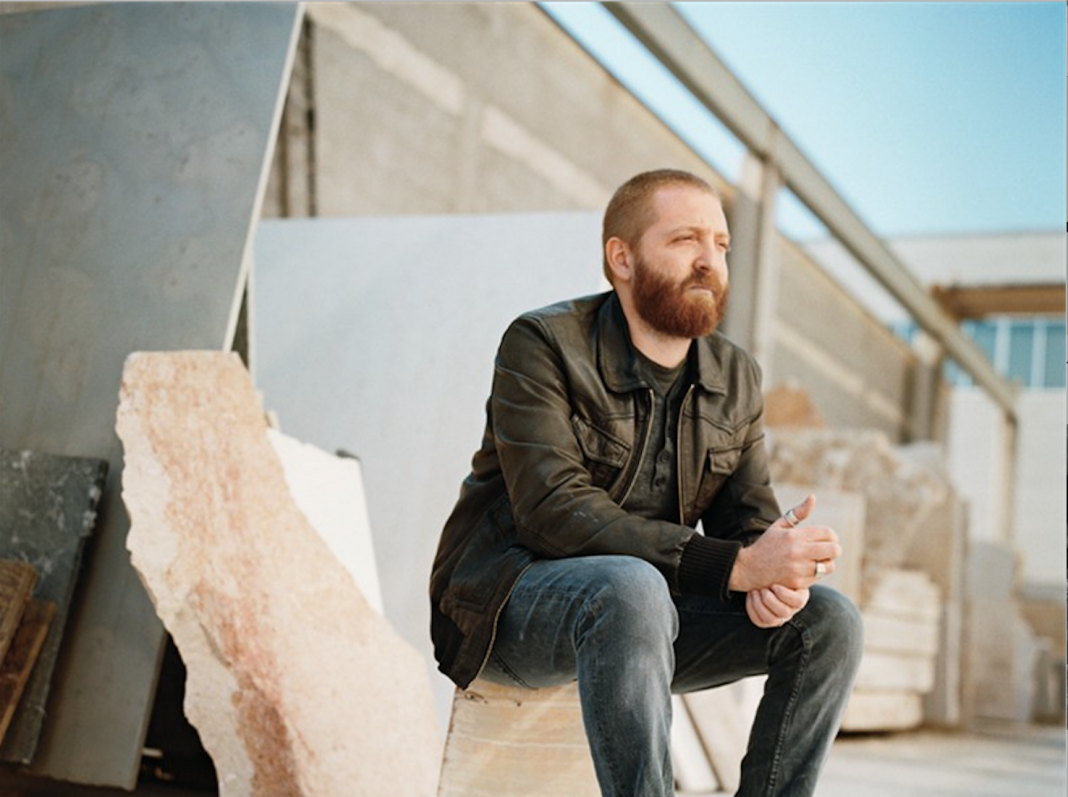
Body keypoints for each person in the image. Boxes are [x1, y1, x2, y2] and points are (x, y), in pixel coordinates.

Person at [429, 168, 863, 797]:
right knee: (631, 588)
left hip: (649, 617)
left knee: (830, 622)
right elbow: (553, 510)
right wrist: (734, 567)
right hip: (507, 605)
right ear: (622, 257)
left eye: (720, 244)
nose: (709, 260)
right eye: (685, 240)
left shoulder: (735, 375)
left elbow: (746, 520)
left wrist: (776, 575)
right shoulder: (543, 344)